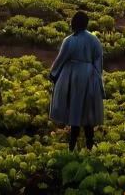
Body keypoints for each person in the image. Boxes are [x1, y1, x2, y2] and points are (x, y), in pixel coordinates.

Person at [49, 11, 105, 152]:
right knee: (88, 113)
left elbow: (61, 59)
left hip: (72, 76)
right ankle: (89, 147)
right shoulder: (94, 40)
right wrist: (97, 75)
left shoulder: (69, 40)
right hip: (89, 76)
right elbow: (99, 60)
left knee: (74, 111)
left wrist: (54, 74)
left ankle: (72, 147)